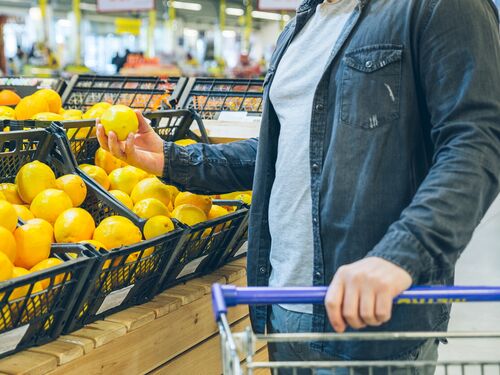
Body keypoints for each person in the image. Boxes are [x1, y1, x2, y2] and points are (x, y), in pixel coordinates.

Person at [97, 0, 500, 372]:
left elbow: (478, 144)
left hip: (371, 326)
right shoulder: (301, 26)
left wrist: (399, 256)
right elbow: (283, 152)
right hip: (280, 310)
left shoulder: (436, 6)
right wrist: (172, 158)